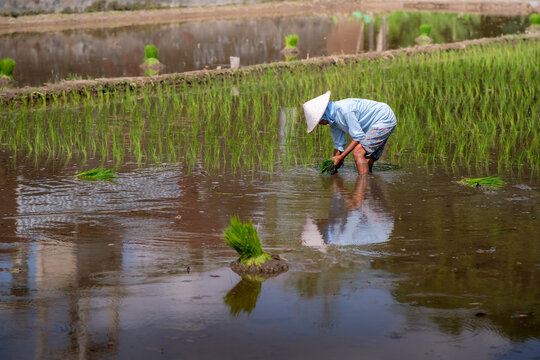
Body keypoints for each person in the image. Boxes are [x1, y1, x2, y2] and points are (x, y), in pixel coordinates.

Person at [303, 91, 397, 174]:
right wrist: (334, 164)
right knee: (366, 159)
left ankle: (362, 188)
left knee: (358, 152)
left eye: (318, 121)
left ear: (322, 116)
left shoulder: (345, 110)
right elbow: (339, 144)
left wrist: (341, 157)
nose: (320, 124)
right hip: (373, 124)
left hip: (384, 118)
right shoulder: (332, 120)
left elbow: (358, 137)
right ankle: (369, 187)